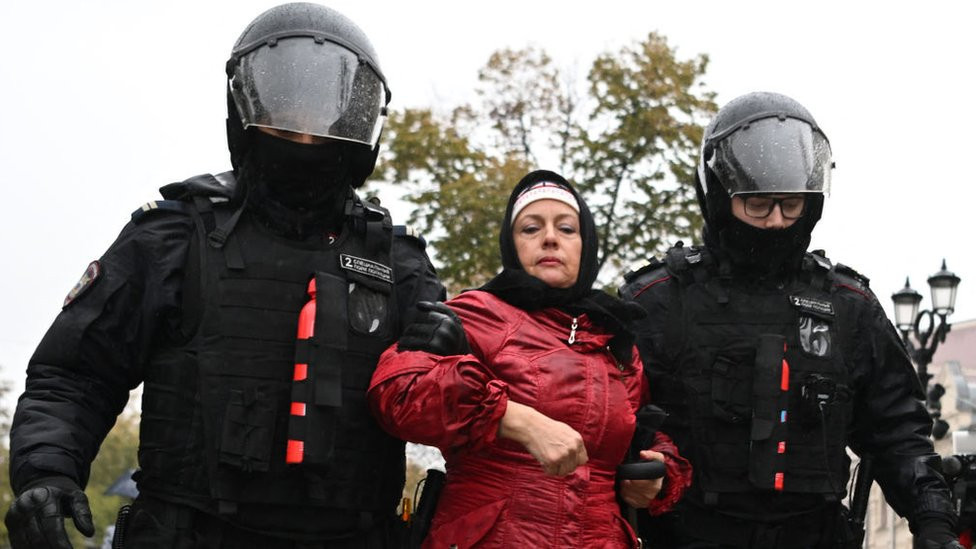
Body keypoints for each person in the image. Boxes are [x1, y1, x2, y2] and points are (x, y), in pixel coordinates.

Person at [4, 3, 444, 548]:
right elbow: (75, 375)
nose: (305, 139)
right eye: (289, 118)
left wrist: (450, 354)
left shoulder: (398, 262)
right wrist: (47, 472)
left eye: (322, 123)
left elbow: (456, 410)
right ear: (246, 113)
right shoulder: (173, 238)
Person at [619, 91, 961, 549]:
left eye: (791, 204)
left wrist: (933, 519)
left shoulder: (847, 304)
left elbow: (897, 429)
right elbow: (609, 420)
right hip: (688, 537)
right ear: (719, 197)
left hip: (816, 537)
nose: (777, 222)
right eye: (758, 205)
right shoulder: (659, 300)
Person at [368, 170, 692, 548]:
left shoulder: (616, 341)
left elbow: (644, 432)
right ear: (512, 245)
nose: (550, 238)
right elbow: (396, 392)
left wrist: (658, 473)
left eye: (567, 229)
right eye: (531, 228)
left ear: (586, 246)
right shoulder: (475, 314)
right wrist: (512, 418)